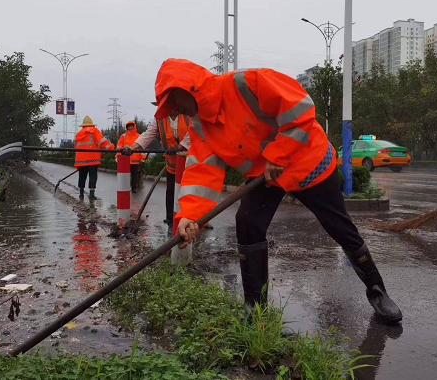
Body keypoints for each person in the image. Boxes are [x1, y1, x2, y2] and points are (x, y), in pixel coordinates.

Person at [151, 58, 402, 324]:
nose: (174, 110)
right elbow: (202, 171)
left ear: (190, 87)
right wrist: (190, 215)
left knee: (339, 227)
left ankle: (378, 291)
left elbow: (300, 107)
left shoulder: (246, 83)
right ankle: (254, 309)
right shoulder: (201, 125)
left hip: (308, 162)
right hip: (267, 176)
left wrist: (279, 153)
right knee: (247, 223)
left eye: (173, 101)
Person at [128, 106, 191, 229]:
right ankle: (170, 219)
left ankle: (198, 219)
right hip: (173, 161)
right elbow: (148, 134)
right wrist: (131, 148)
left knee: (192, 191)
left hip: (192, 160)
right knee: (171, 190)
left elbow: (194, 132)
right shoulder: (159, 118)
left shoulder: (188, 113)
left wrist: (178, 147)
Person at [74, 116, 115, 200]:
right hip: (93, 159)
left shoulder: (78, 134)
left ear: (83, 126)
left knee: (82, 176)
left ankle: (81, 193)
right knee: (92, 176)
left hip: (81, 160)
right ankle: (91, 194)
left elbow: (75, 147)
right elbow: (102, 141)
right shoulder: (94, 131)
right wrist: (111, 147)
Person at [116, 121, 146, 193]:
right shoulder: (123, 136)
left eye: (131, 126)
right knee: (125, 175)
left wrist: (142, 157)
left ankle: (134, 188)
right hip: (125, 159)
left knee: (134, 175)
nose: (130, 127)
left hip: (135, 159)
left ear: (134, 126)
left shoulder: (138, 136)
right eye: (129, 126)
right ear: (127, 127)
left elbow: (141, 147)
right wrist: (118, 156)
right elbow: (119, 147)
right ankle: (126, 187)